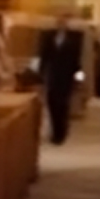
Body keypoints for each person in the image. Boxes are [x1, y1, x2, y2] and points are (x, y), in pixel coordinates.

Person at [35, 9, 86, 144]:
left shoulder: (75, 38)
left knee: (63, 104)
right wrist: (39, 75)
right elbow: (43, 57)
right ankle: (54, 130)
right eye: (59, 20)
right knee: (52, 103)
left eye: (64, 20)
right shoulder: (48, 36)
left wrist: (79, 78)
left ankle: (61, 133)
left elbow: (78, 60)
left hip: (68, 75)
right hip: (52, 74)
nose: (61, 23)